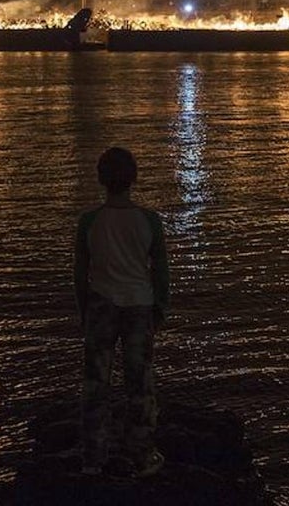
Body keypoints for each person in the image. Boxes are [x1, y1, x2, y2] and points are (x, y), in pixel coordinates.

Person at [74, 146, 170, 478]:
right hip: (139, 306)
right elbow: (160, 271)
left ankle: (93, 457)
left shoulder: (89, 221)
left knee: (96, 383)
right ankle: (141, 454)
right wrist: (160, 307)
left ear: (101, 179)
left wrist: (83, 311)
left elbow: (80, 272)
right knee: (139, 384)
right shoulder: (149, 221)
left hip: (101, 304)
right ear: (134, 178)